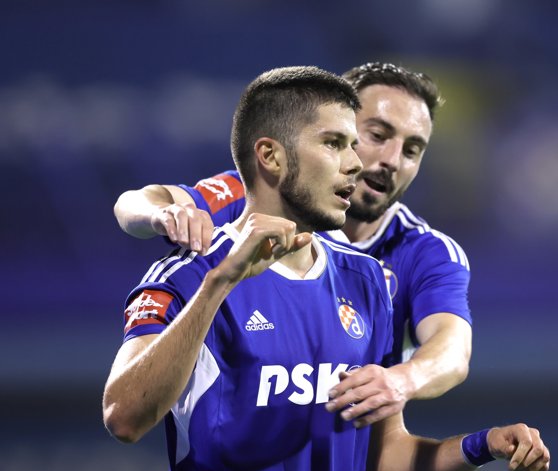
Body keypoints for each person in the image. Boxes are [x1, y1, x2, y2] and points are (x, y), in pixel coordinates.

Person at [103, 66, 550, 471]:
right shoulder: (195, 265)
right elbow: (123, 417)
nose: (364, 162)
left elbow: (385, 453)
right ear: (272, 157)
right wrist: (200, 259)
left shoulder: (373, 279)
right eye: (343, 142)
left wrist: (482, 444)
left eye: (412, 149)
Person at [114, 62, 471, 427]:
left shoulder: (425, 252)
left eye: (412, 150)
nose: (392, 161)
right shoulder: (259, 196)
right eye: (377, 135)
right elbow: (135, 202)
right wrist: (164, 215)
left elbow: (452, 350)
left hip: (342, 444)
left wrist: (402, 380)